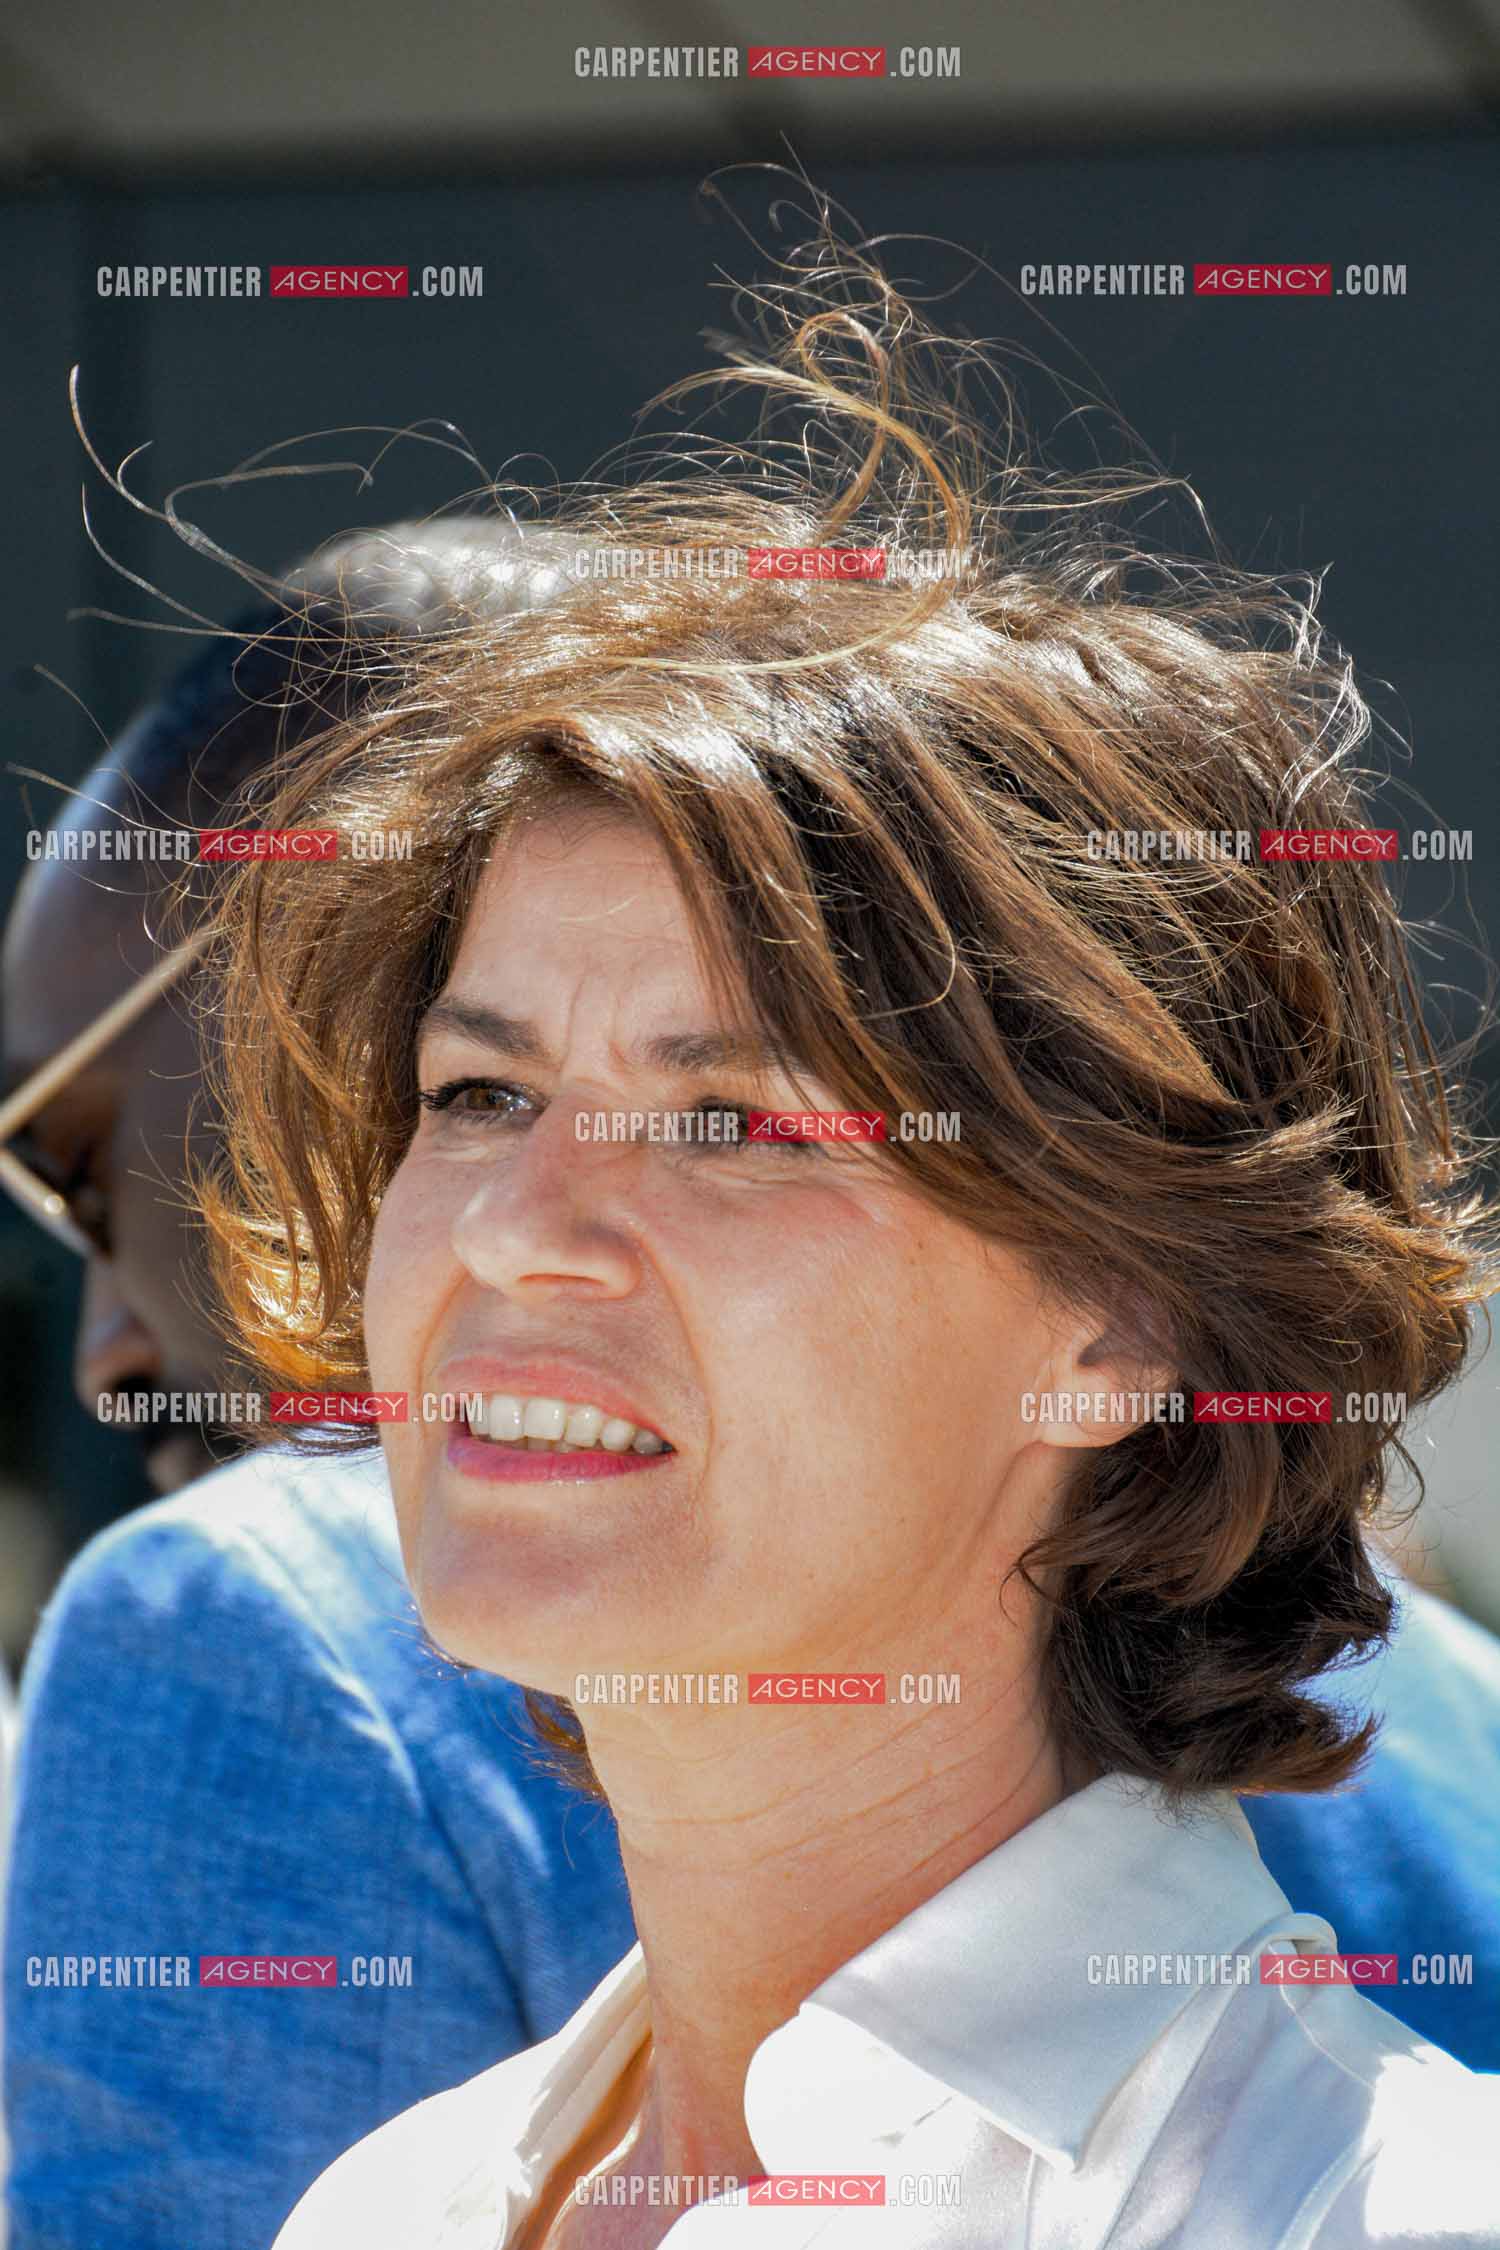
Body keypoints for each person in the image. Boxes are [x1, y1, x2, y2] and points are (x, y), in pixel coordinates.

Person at [202, 236, 1500, 2246]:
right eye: (479, 1096)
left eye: (725, 1122)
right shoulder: (398, 2207)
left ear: (1123, 1310)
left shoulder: (1385, 2213)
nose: (527, 1229)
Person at [0, 526, 638, 2250]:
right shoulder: (1428, 1705)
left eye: (79, 1163)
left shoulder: (237, 1626)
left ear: (325, 1009)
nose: (107, 1347)